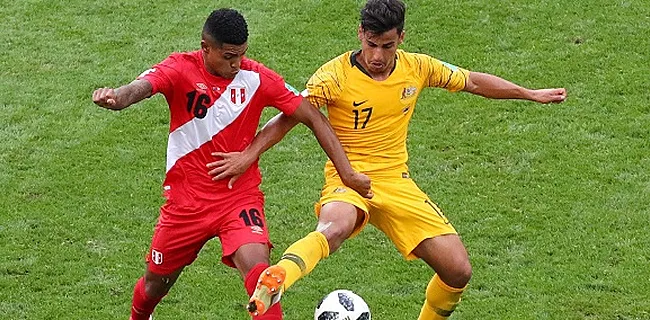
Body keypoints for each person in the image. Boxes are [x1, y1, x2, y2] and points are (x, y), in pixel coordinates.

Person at [221, 0, 566, 319]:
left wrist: (529, 94)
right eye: (371, 44)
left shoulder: (417, 67)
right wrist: (249, 154)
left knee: (457, 270)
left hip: (396, 182)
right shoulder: (334, 76)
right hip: (348, 179)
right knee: (334, 227)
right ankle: (280, 275)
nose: (377, 55)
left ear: (401, 37)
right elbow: (289, 116)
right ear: (360, 34)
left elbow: (472, 81)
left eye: (387, 46)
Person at [92, 8, 372, 320]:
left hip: (238, 199)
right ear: (205, 47)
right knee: (155, 284)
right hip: (186, 205)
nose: (236, 64)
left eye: (240, 55)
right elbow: (142, 88)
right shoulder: (179, 68)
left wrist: (346, 173)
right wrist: (117, 97)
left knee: (261, 274)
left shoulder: (257, 78)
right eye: (228, 57)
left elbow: (311, 116)